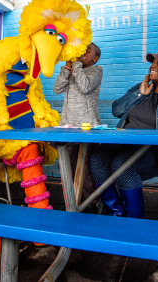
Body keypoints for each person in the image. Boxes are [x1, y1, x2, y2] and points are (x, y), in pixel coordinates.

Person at [89, 49, 158, 218]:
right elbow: (116, 110)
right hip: (124, 144)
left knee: (123, 164)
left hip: (154, 151)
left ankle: (134, 221)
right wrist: (140, 93)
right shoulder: (140, 89)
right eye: (153, 63)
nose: (153, 66)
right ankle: (115, 214)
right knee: (97, 157)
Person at [54, 43, 103, 212]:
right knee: (69, 165)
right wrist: (67, 68)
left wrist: (76, 66)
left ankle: (90, 203)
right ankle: (72, 201)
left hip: (87, 126)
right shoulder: (73, 69)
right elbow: (57, 89)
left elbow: (85, 87)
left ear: (94, 59)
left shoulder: (96, 71)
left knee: (86, 167)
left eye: (86, 51)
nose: (81, 51)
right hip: (68, 125)